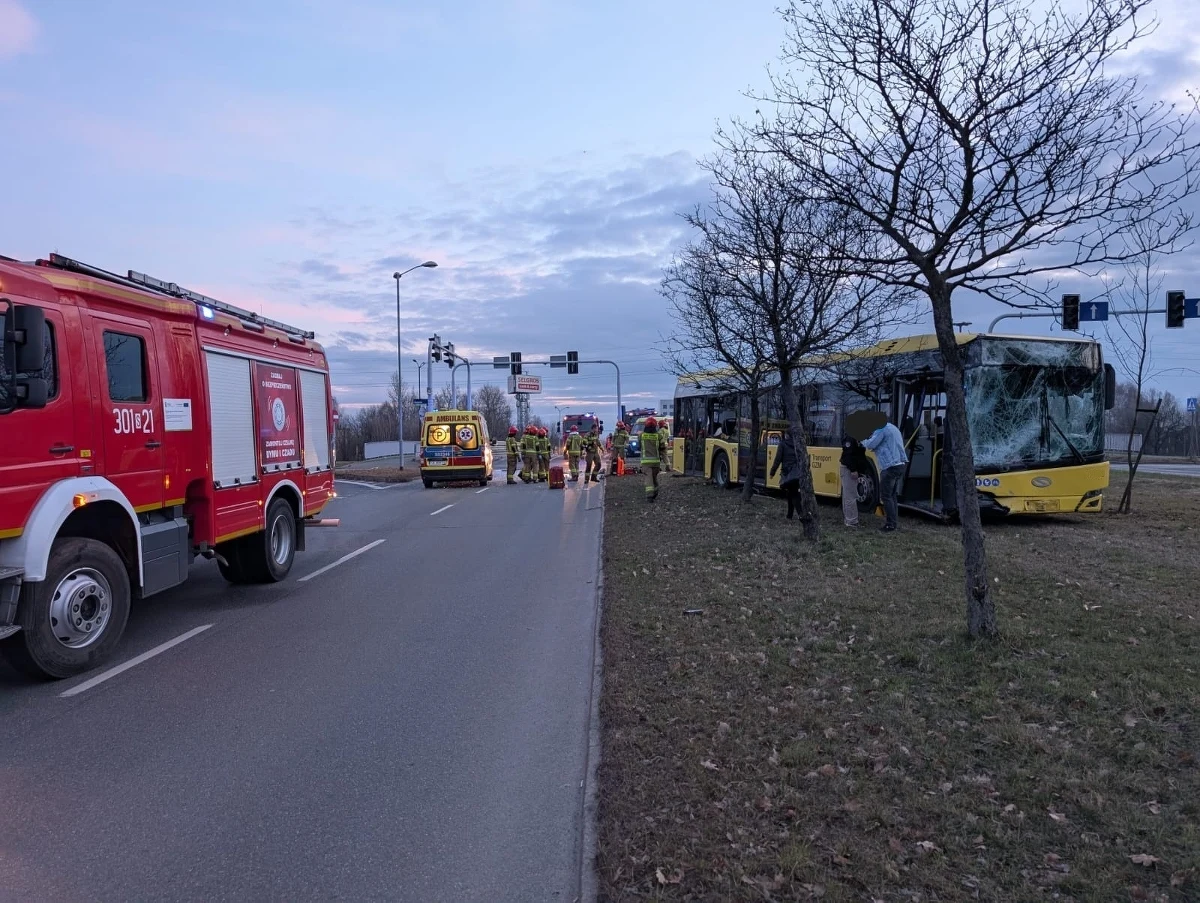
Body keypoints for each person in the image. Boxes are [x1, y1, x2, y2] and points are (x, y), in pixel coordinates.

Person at [862, 417, 908, 532]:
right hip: (899, 464)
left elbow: (871, 444)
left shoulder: (881, 429)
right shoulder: (893, 428)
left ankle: (890, 525)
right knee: (892, 496)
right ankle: (894, 522)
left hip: (889, 466)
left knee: (886, 496)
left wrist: (861, 440)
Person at [769, 429, 804, 520]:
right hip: (797, 473)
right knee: (791, 493)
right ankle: (789, 515)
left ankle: (801, 514)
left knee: (793, 494)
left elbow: (777, 460)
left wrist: (772, 472)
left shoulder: (783, 444)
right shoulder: (798, 445)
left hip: (787, 473)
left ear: (787, 435)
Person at [839, 433, 871, 526]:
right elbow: (848, 455)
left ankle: (849, 519)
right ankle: (851, 521)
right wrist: (853, 470)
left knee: (849, 495)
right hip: (848, 469)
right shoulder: (851, 436)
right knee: (850, 495)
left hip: (851, 468)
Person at [640, 416, 662, 501]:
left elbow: (640, 446)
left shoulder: (642, 435)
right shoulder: (658, 436)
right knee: (654, 477)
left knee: (649, 478)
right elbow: (662, 446)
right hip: (656, 462)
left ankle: (649, 496)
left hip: (646, 462)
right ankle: (655, 492)